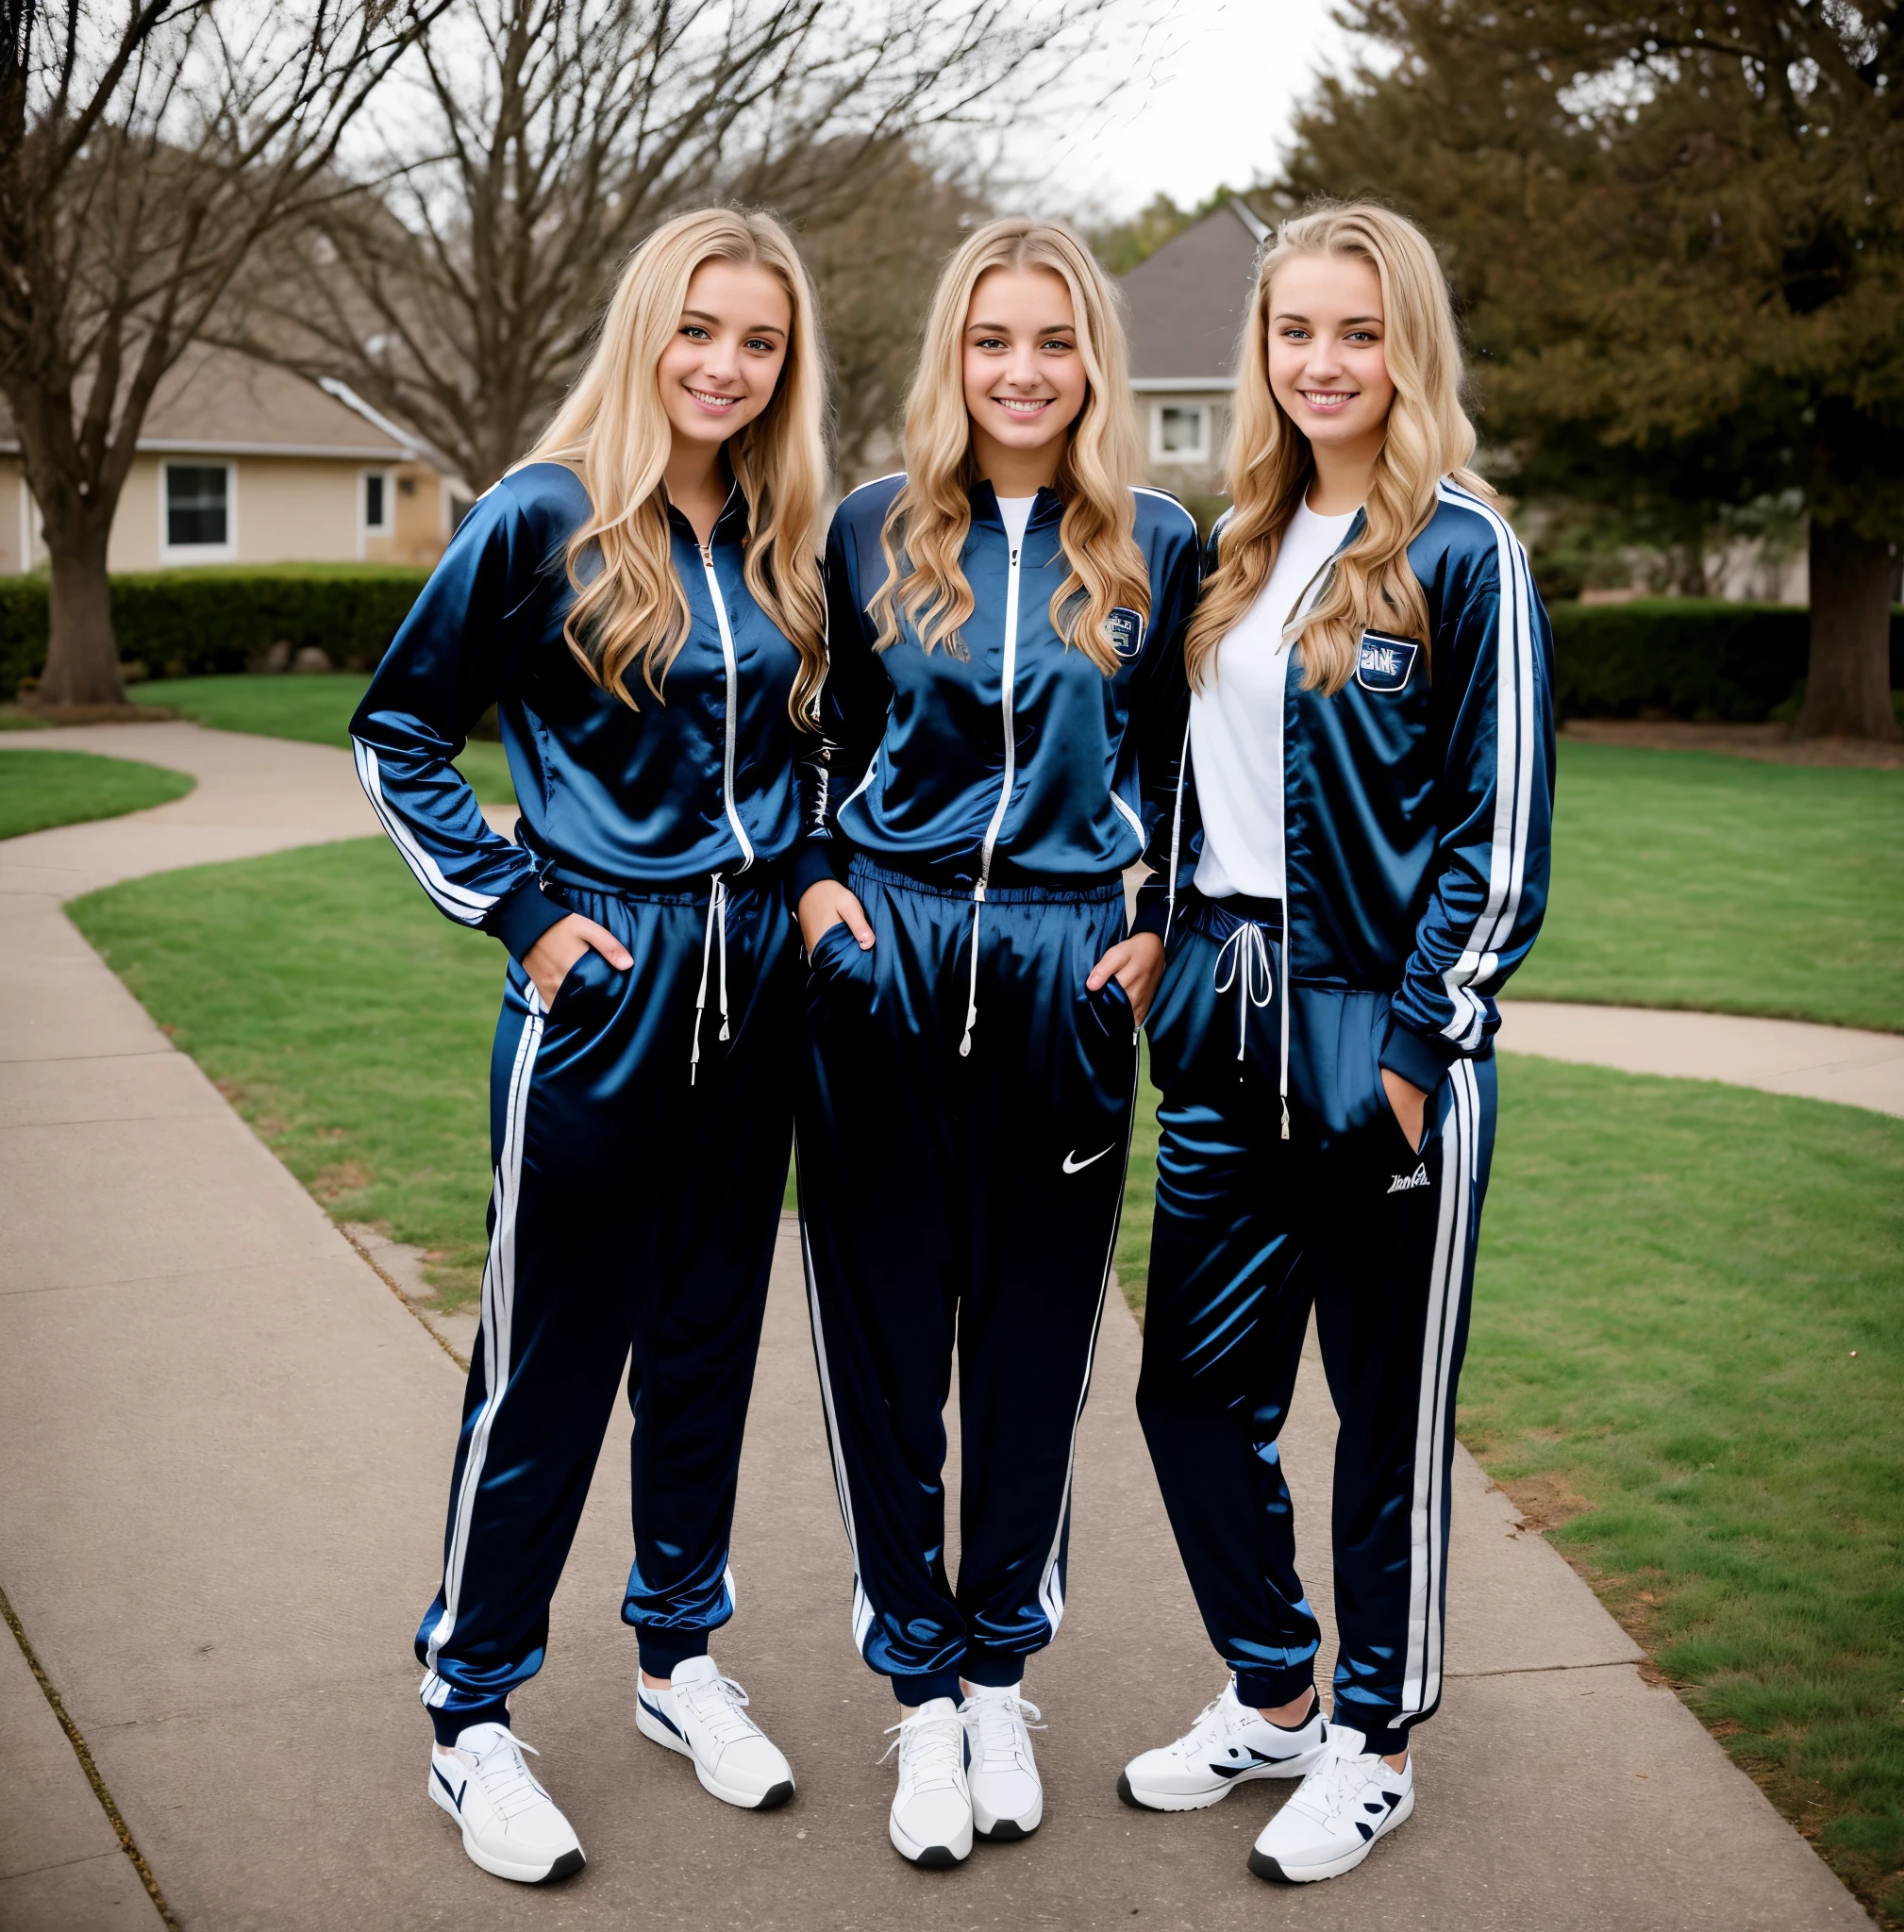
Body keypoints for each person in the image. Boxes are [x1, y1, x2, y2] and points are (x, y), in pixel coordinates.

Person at [349, 208, 831, 1885]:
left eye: (759, 341)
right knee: (550, 1365)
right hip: (602, 998)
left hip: (757, 998)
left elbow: (818, 761)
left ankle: (676, 1659)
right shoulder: (542, 513)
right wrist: (524, 911)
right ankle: (470, 1708)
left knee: (705, 1349)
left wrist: (810, 906)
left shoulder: (787, 536)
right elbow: (400, 729)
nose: (725, 364)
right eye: (701, 328)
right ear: (648, 330)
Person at [1117, 202, 1555, 1885]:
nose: (1324, 361)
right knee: (1188, 1395)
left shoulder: (1463, 552)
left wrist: (1416, 1050)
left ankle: (1374, 1740)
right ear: (1265, 347)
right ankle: (1279, 1688)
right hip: (1221, 1019)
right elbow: (1174, 772)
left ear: (1408, 349)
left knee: (1380, 1417)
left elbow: (1493, 839)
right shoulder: (1238, 539)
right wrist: (1160, 926)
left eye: (1358, 333)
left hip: (1384, 1039)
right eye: (1298, 331)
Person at [791, 218, 1198, 1868]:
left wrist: (1146, 939)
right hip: (887, 964)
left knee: (1032, 1350)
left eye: (1052, 341)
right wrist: (826, 905)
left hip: (1063, 977)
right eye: (991, 341)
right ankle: (919, 1693)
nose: (1022, 372)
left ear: (1092, 358)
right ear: (952, 358)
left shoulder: (1163, 543)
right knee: (888, 1349)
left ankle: (998, 1676)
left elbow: (1184, 771)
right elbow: (808, 754)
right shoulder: (870, 532)